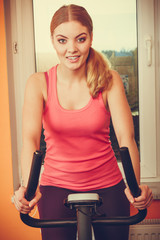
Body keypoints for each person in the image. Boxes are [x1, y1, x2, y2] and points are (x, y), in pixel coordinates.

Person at [13, 4, 153, 240]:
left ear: (90, 37)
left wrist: (135, 188)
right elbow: (30, 141)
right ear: (53, 41)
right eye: (62, 40)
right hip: (56, 185)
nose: (72, 49)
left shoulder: (109, 80)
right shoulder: (38, 83)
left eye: (80, 39)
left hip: (107, 184)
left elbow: (126, 137)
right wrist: (28, 189)